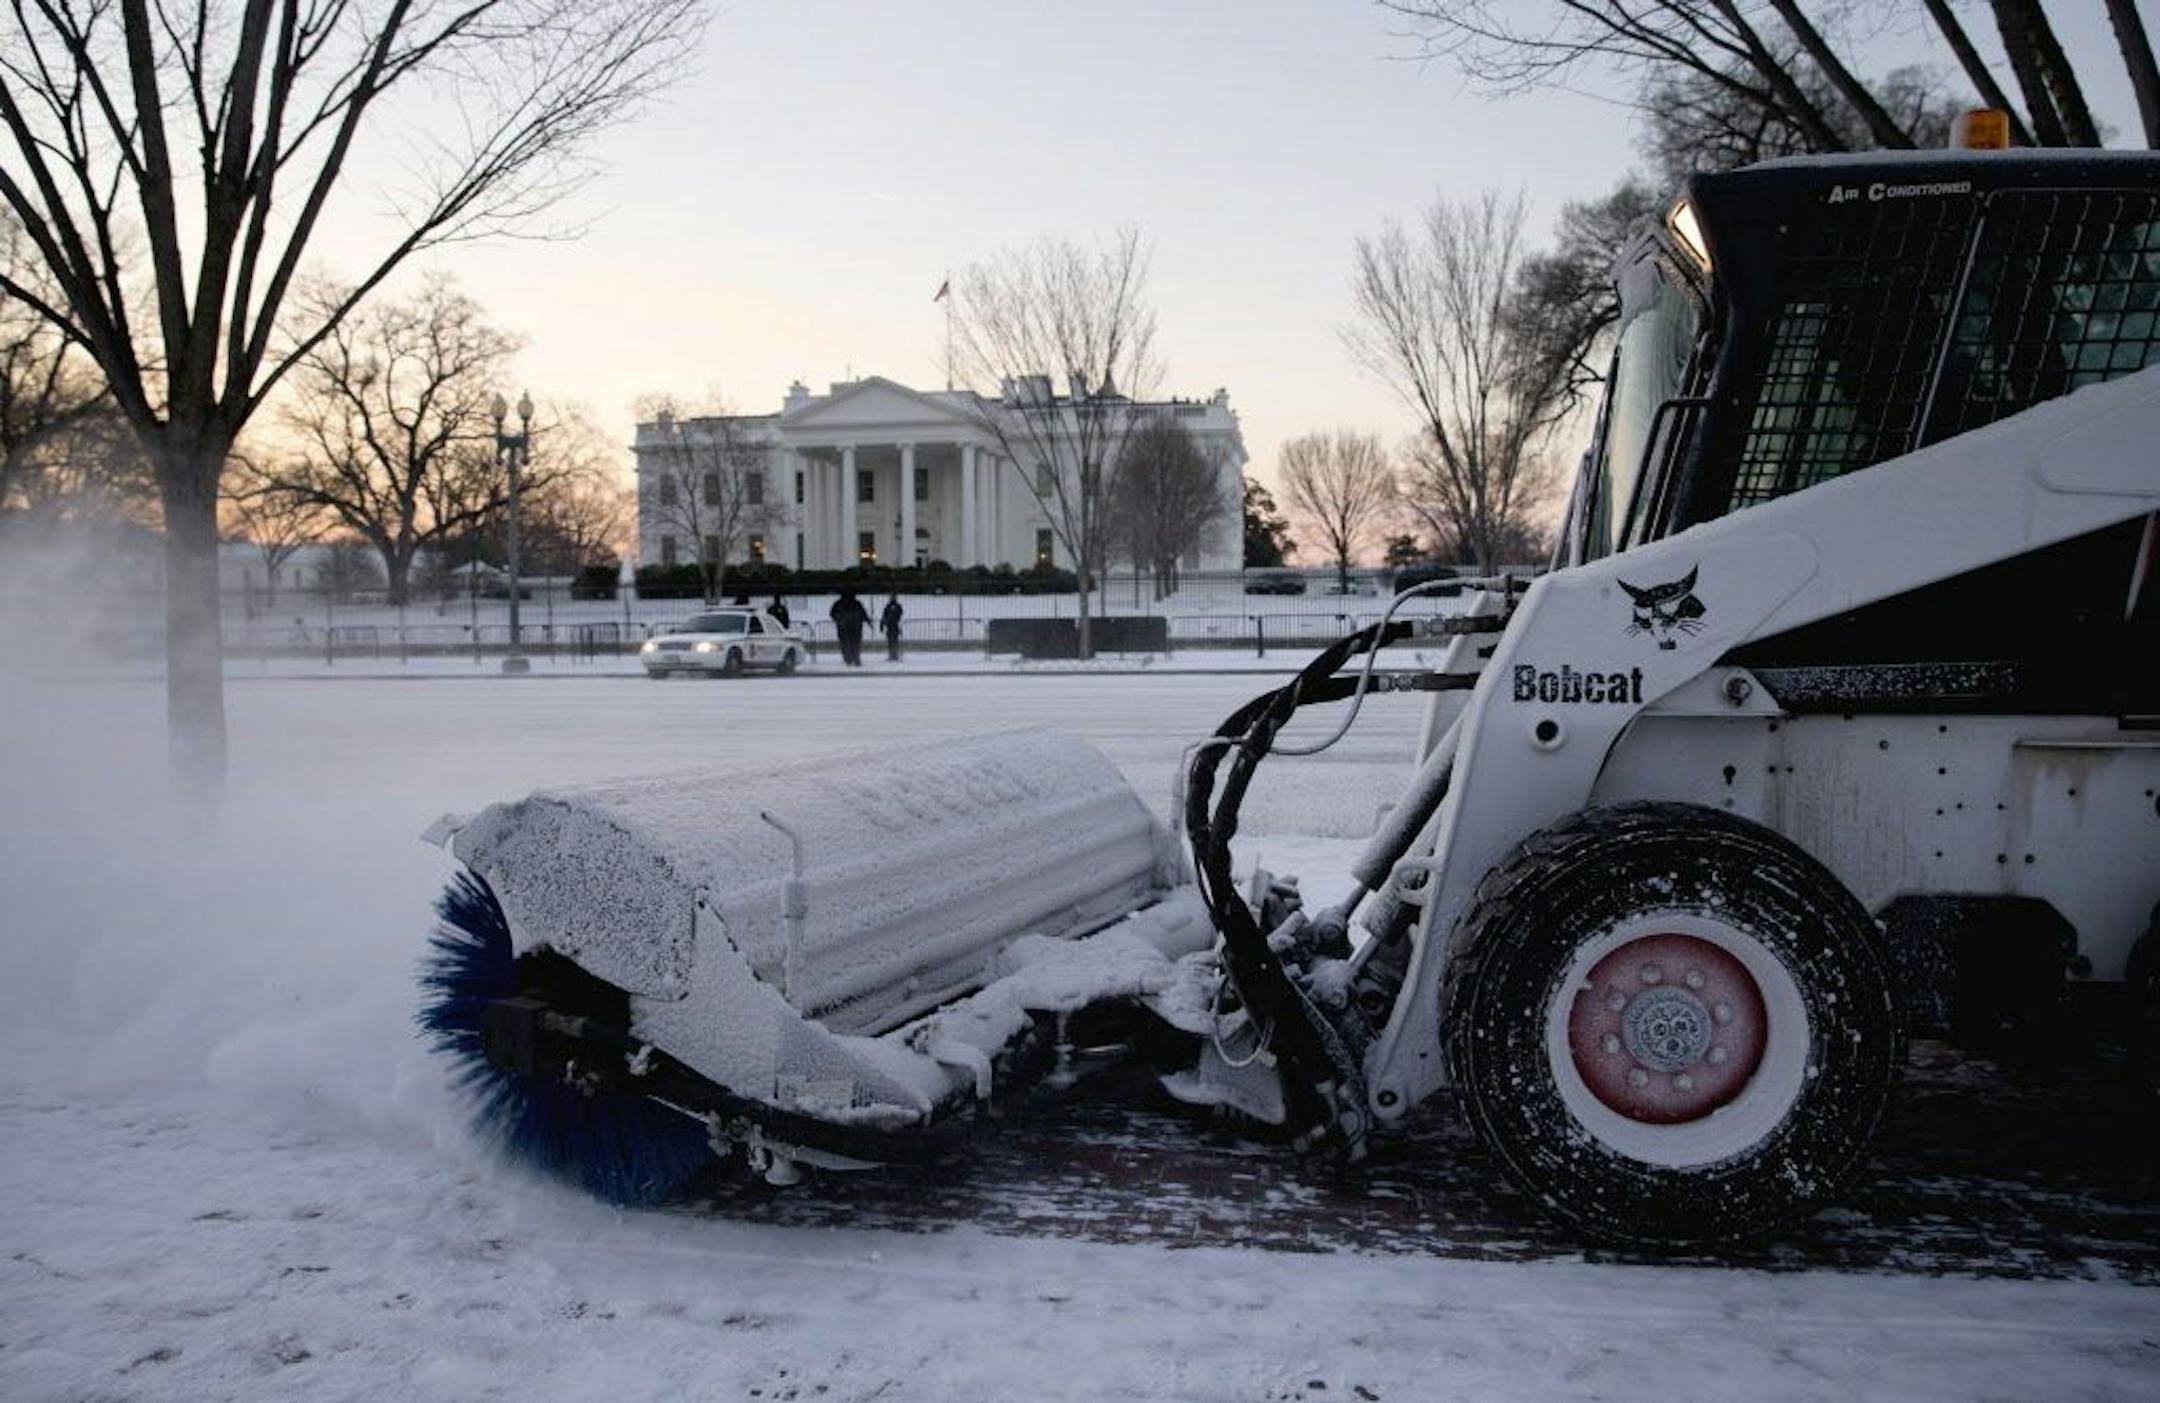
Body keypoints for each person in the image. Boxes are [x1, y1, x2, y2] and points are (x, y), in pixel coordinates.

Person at [829, 588, 869, 667]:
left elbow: (863, 613)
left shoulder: (840, 603)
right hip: (851, 627)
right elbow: (863, 613)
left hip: (850, 627)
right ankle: (852, 659)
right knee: (852, 643)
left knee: (849, 643)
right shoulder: (855, 603)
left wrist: (839, 620)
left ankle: (851, 659)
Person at [880, 591, 905, 662]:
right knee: (890, 641)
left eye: (893, 597)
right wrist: (882, 624)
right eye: (892, 597)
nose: (892, 598)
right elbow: (884, 616)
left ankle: (895, 655)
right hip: (889, 626)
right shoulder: (888, 606)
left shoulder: (898, 606)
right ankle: (891, 655)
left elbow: (900, 615)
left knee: (895, 641)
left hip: (895, 626)